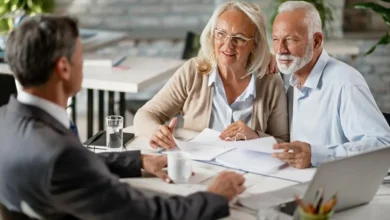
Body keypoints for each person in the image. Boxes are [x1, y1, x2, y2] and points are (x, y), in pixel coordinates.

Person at [0, 15, 246, 220]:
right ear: (64, 68)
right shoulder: (61, 155)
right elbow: (148, 215)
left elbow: (71, 170)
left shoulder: (6, 120)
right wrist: (214, 196)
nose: (83, 65)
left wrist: (138, 160)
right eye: (81, 58)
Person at [134, 1, 289, 150]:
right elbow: (146, 114)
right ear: (212, 35)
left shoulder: (270, 81)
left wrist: (256, 136)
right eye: (221, 34)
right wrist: (156, 131)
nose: (228, 45)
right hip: (199, 169)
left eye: (239, 38)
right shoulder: (193, 72)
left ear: (255, 44)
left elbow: (283, 141)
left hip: (250, 174)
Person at [271, 1, 390, 169]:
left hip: (341, 190)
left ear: (317, 41)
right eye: (276, 39)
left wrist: (316, 155)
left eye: (291, 39)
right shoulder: (293, 84)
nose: (281, 49)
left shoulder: (345, 82)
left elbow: (383, 145)